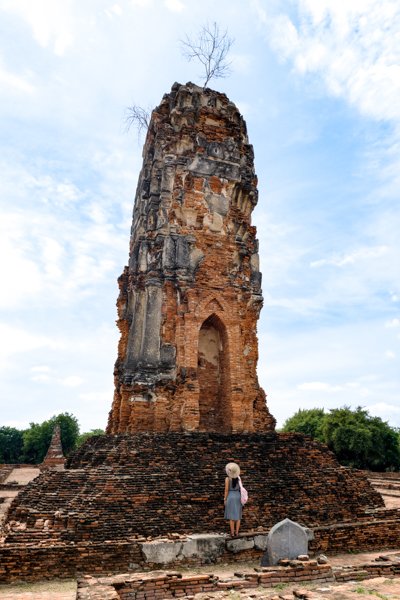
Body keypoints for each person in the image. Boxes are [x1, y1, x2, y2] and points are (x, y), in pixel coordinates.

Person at [224, 462, 242, 537]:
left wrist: (225, 499)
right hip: (238, 496)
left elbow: (226, 490)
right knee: (238, 516)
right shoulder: (239, 478)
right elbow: (241, 489)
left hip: (230, 497)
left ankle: (232, 533)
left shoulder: (227, 479)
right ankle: (237, 532)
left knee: (231, 517)